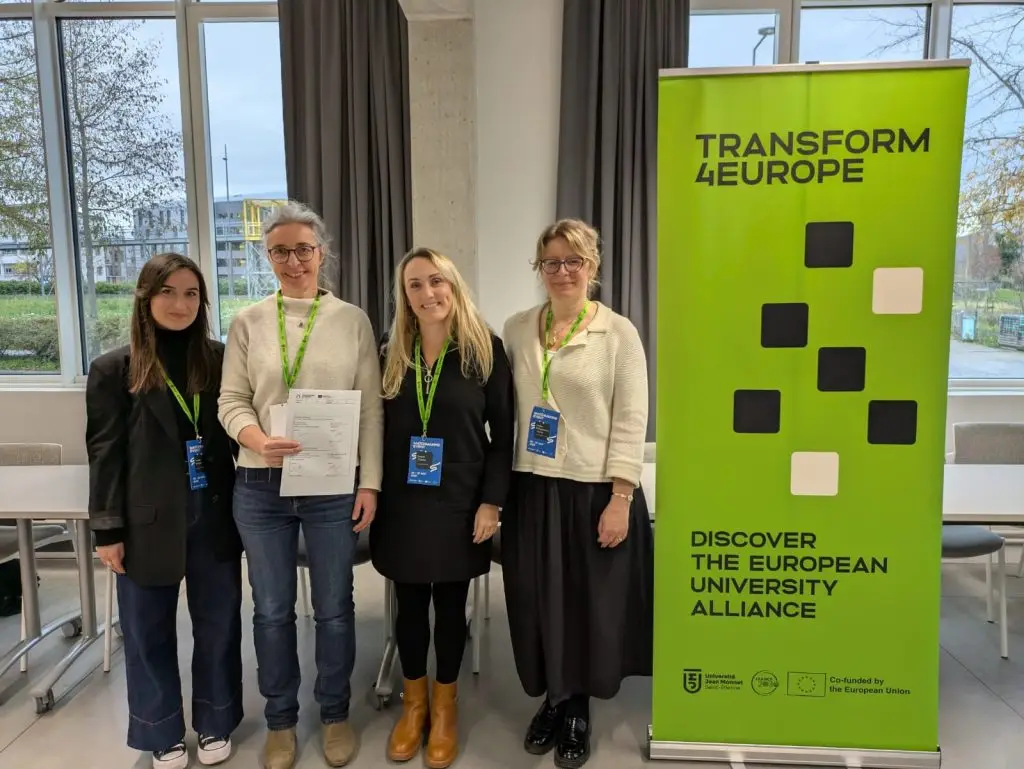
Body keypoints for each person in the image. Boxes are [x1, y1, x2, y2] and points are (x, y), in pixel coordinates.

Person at [217, 201, 384, 769]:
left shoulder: (352, 320)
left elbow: (371, 413)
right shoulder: (248, 322)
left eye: (304, 250)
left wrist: (372, 484)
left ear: (322, 253)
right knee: (271, 610)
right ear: (269, 257)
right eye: (280, 251)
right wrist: (257, 439)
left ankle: (334, 714)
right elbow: (231, 401)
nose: (293, 261)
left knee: (336, 607)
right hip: (259, 485)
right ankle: (281, 722)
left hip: (332, 484)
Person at [500, 219, 654, 769]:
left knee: (587, 603)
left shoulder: (618, 333)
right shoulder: (517, 329)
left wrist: (622, 496)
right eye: (551, 263)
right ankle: (553, 696)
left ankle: (578, 707)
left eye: (574, 261)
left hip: (592, 491)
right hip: (531, 487)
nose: (562, 272)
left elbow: (632, 418)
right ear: (538, 269)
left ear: (592, 268)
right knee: (539, 598)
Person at [85, 253, 243, 769]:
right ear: (146, 297)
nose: (181, 304)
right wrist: (107, 529)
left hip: (215, 512)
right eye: (169, 293)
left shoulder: (219, 359)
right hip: (146, 520)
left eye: (192, 294)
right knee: (147, 630)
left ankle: (216, 720)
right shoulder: (115, 369)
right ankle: (161, 730)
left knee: (218, 624)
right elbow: (104, 454)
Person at [372, 247, 515, 768]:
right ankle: (415, 705)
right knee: (409, 606)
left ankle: (446, 706)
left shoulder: (485, 351)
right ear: (403, 296)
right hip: (403, 501)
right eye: (415, 285)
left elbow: (504, 438)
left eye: (437, 282)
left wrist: (491, 503)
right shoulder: (390, 350)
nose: (427, 293)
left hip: (460, 500)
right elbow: (374, 427)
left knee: (451, 607)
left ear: (453, 287)